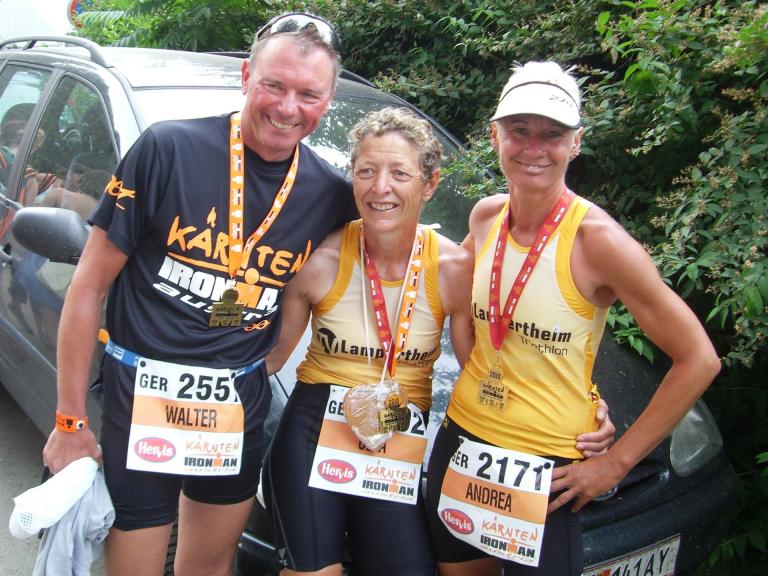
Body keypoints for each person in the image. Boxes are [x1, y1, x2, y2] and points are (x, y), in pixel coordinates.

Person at [42, 12, 358, 576]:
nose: (288, 108)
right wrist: (70, 422)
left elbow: (387, 261)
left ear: (328, 100)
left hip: (235, 409)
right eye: (274, 85)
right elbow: (89, 285)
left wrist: (262, 364)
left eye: (309, 94)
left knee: (209, 569)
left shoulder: (330, 193)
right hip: (142, 401)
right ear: (246, 76)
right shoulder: (168, 148)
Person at [262, 107, 615, 576]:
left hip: (396, 442)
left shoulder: (453, 268)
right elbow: (270, 359)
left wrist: (585, 404)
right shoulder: (319, 260)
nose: (380, 187)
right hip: (313, 430)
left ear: (429, 184)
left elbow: (489, 362)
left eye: (399, 173)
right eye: (366, 171)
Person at [425, 61, 721, 576]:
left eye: (553, 134)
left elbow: (699, 359)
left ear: (576, 142)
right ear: (495, 135)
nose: (534, 148)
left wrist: (617, 462)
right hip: (464, 439)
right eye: (519, 130)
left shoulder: (599, 242)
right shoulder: (487, 216)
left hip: (549, 466)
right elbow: (455, 296)